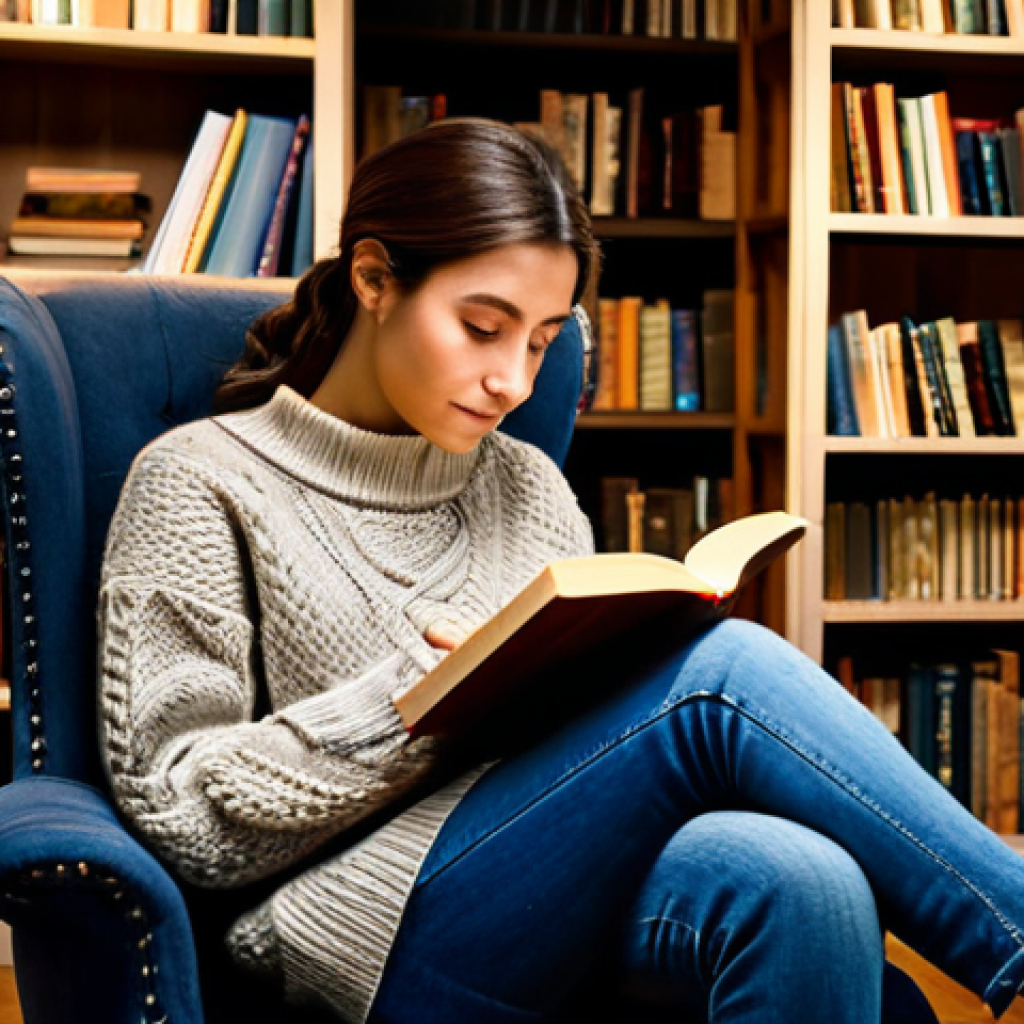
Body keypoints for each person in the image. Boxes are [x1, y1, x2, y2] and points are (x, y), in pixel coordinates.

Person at [97, 118, 1024, 1024]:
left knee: (800, 877)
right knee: (722, 679)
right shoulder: (199, 481)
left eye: (540, 341)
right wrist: (415, 701)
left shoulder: (527, 484)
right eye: (483, 327)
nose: (515, 382)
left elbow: (576, 758)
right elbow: (179, 813)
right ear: (376, 277)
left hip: (552, 883)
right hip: (348, 931)